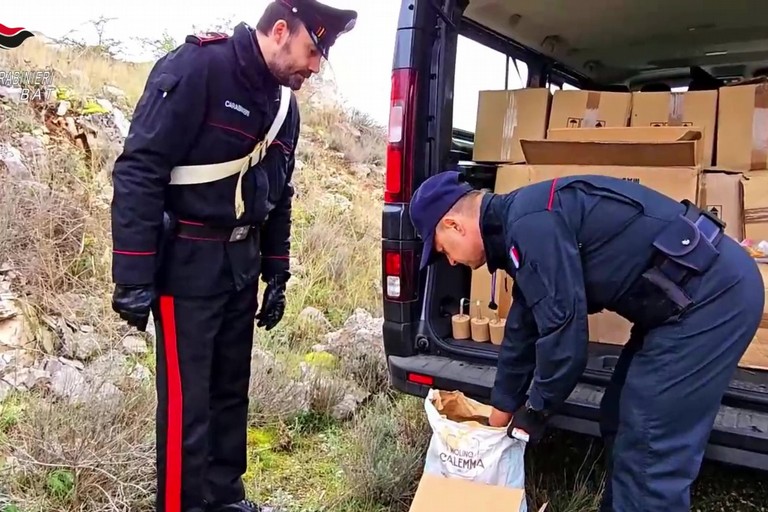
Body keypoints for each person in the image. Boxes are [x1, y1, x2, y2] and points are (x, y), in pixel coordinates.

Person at [109, 1, 357, 511]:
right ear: (281, 30)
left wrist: (277, 274)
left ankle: (224, 499)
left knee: (229, 395)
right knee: (187, 408)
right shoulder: (199, 67)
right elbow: (140, 169)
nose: (315, 66)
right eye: (313, 51)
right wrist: (132, 274)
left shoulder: (285, 106)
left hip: (240, 270)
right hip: (187, 268)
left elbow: (279, 193)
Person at [409, 170, 764, 512]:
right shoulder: (520, 226)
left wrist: (536, 410)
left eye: (443, 250)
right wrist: (497, 421)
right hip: (677, 305)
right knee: (619, 412)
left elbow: (565, 338)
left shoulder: (530, 224)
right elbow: (524, 327)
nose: (451, 261)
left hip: (714, 298)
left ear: (454, 225)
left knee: (648, 442)